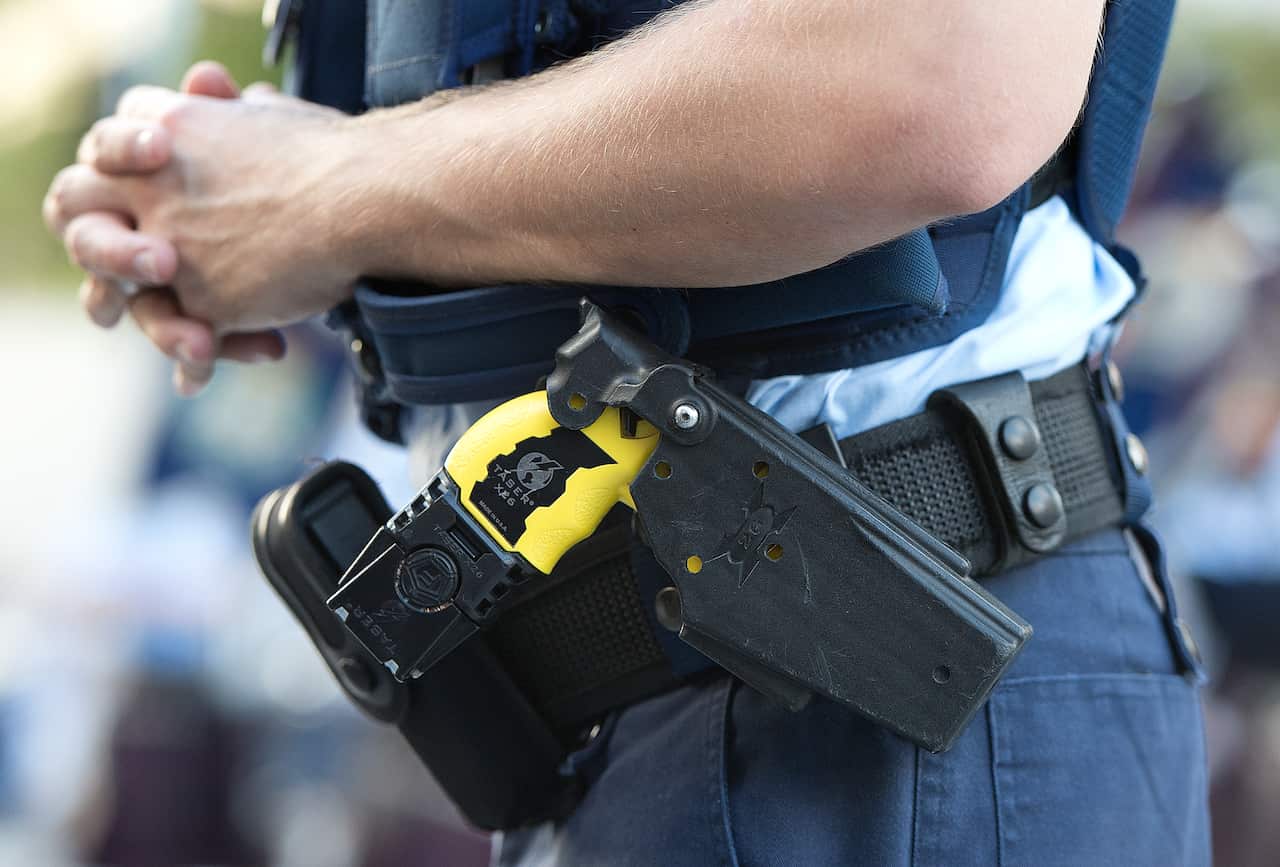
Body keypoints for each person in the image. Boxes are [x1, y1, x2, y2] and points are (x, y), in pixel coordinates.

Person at [43, 1, 1210, 864]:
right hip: (631, 708)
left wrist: (315, 195)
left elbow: (927, 79)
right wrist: (227, 198)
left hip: (867, 681)